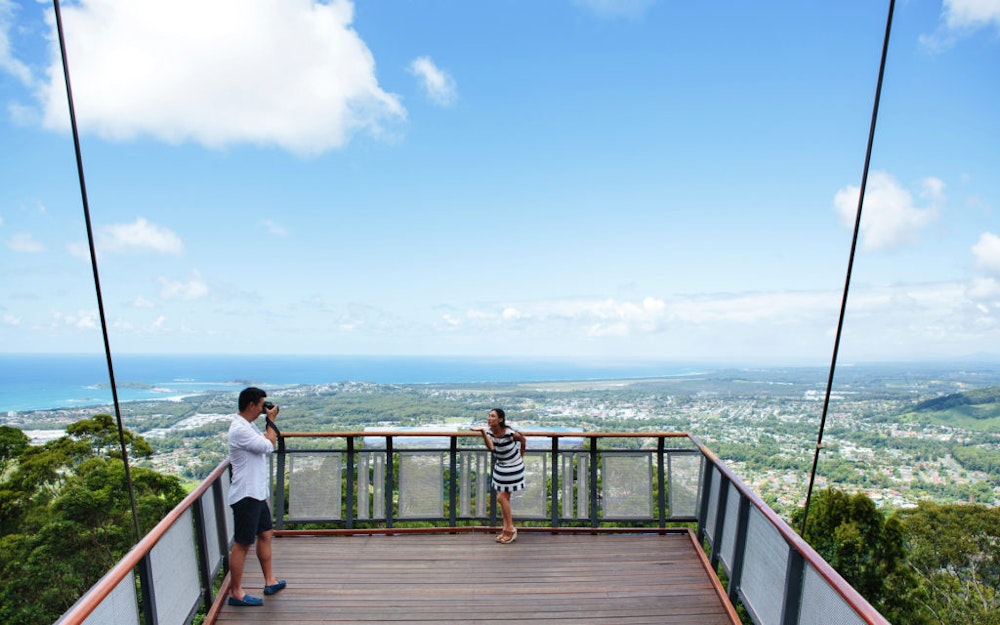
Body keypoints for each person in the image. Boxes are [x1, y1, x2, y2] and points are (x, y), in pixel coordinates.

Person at [226, 386, 287, 606]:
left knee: (265, 534)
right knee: (242, 544)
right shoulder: (239, 429)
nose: (265, 408)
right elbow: (269, 445)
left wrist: (268, 422)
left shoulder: (248, 426)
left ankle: (270, 580)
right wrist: (271, 420)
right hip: (246, 495)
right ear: (251, 405)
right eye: (262, 405)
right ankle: (236, 592)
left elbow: (266, 440)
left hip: (256, 493)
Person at [472, 408, 526, 544]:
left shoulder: (509, 433)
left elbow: (522, 440)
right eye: (489, 416)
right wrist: (483, 432)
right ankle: (505, 529)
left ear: (500, 419)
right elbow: (491, 448)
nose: (489, 418)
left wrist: (521, 456)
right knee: (505, 498)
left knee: (501, 497)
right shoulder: (490, 432)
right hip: (501, 467)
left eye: (492, 416)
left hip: (514, 467)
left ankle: (510, 529)